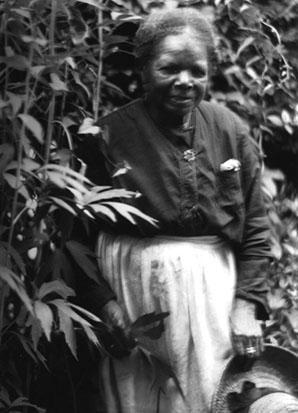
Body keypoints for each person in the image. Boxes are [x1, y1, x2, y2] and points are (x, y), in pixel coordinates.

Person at [76, 7, 272, 413]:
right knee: (139, 397)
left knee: (214, 397)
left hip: (212, 299)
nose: (185, 82)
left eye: (196, 71)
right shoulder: (107, 135)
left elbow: (255, 224)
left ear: (209, 72)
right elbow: (76, 235)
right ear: (144, 69)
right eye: (169, 69)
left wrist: (247, 303)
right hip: (133, 297)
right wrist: (103, 303)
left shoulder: (229, 129)